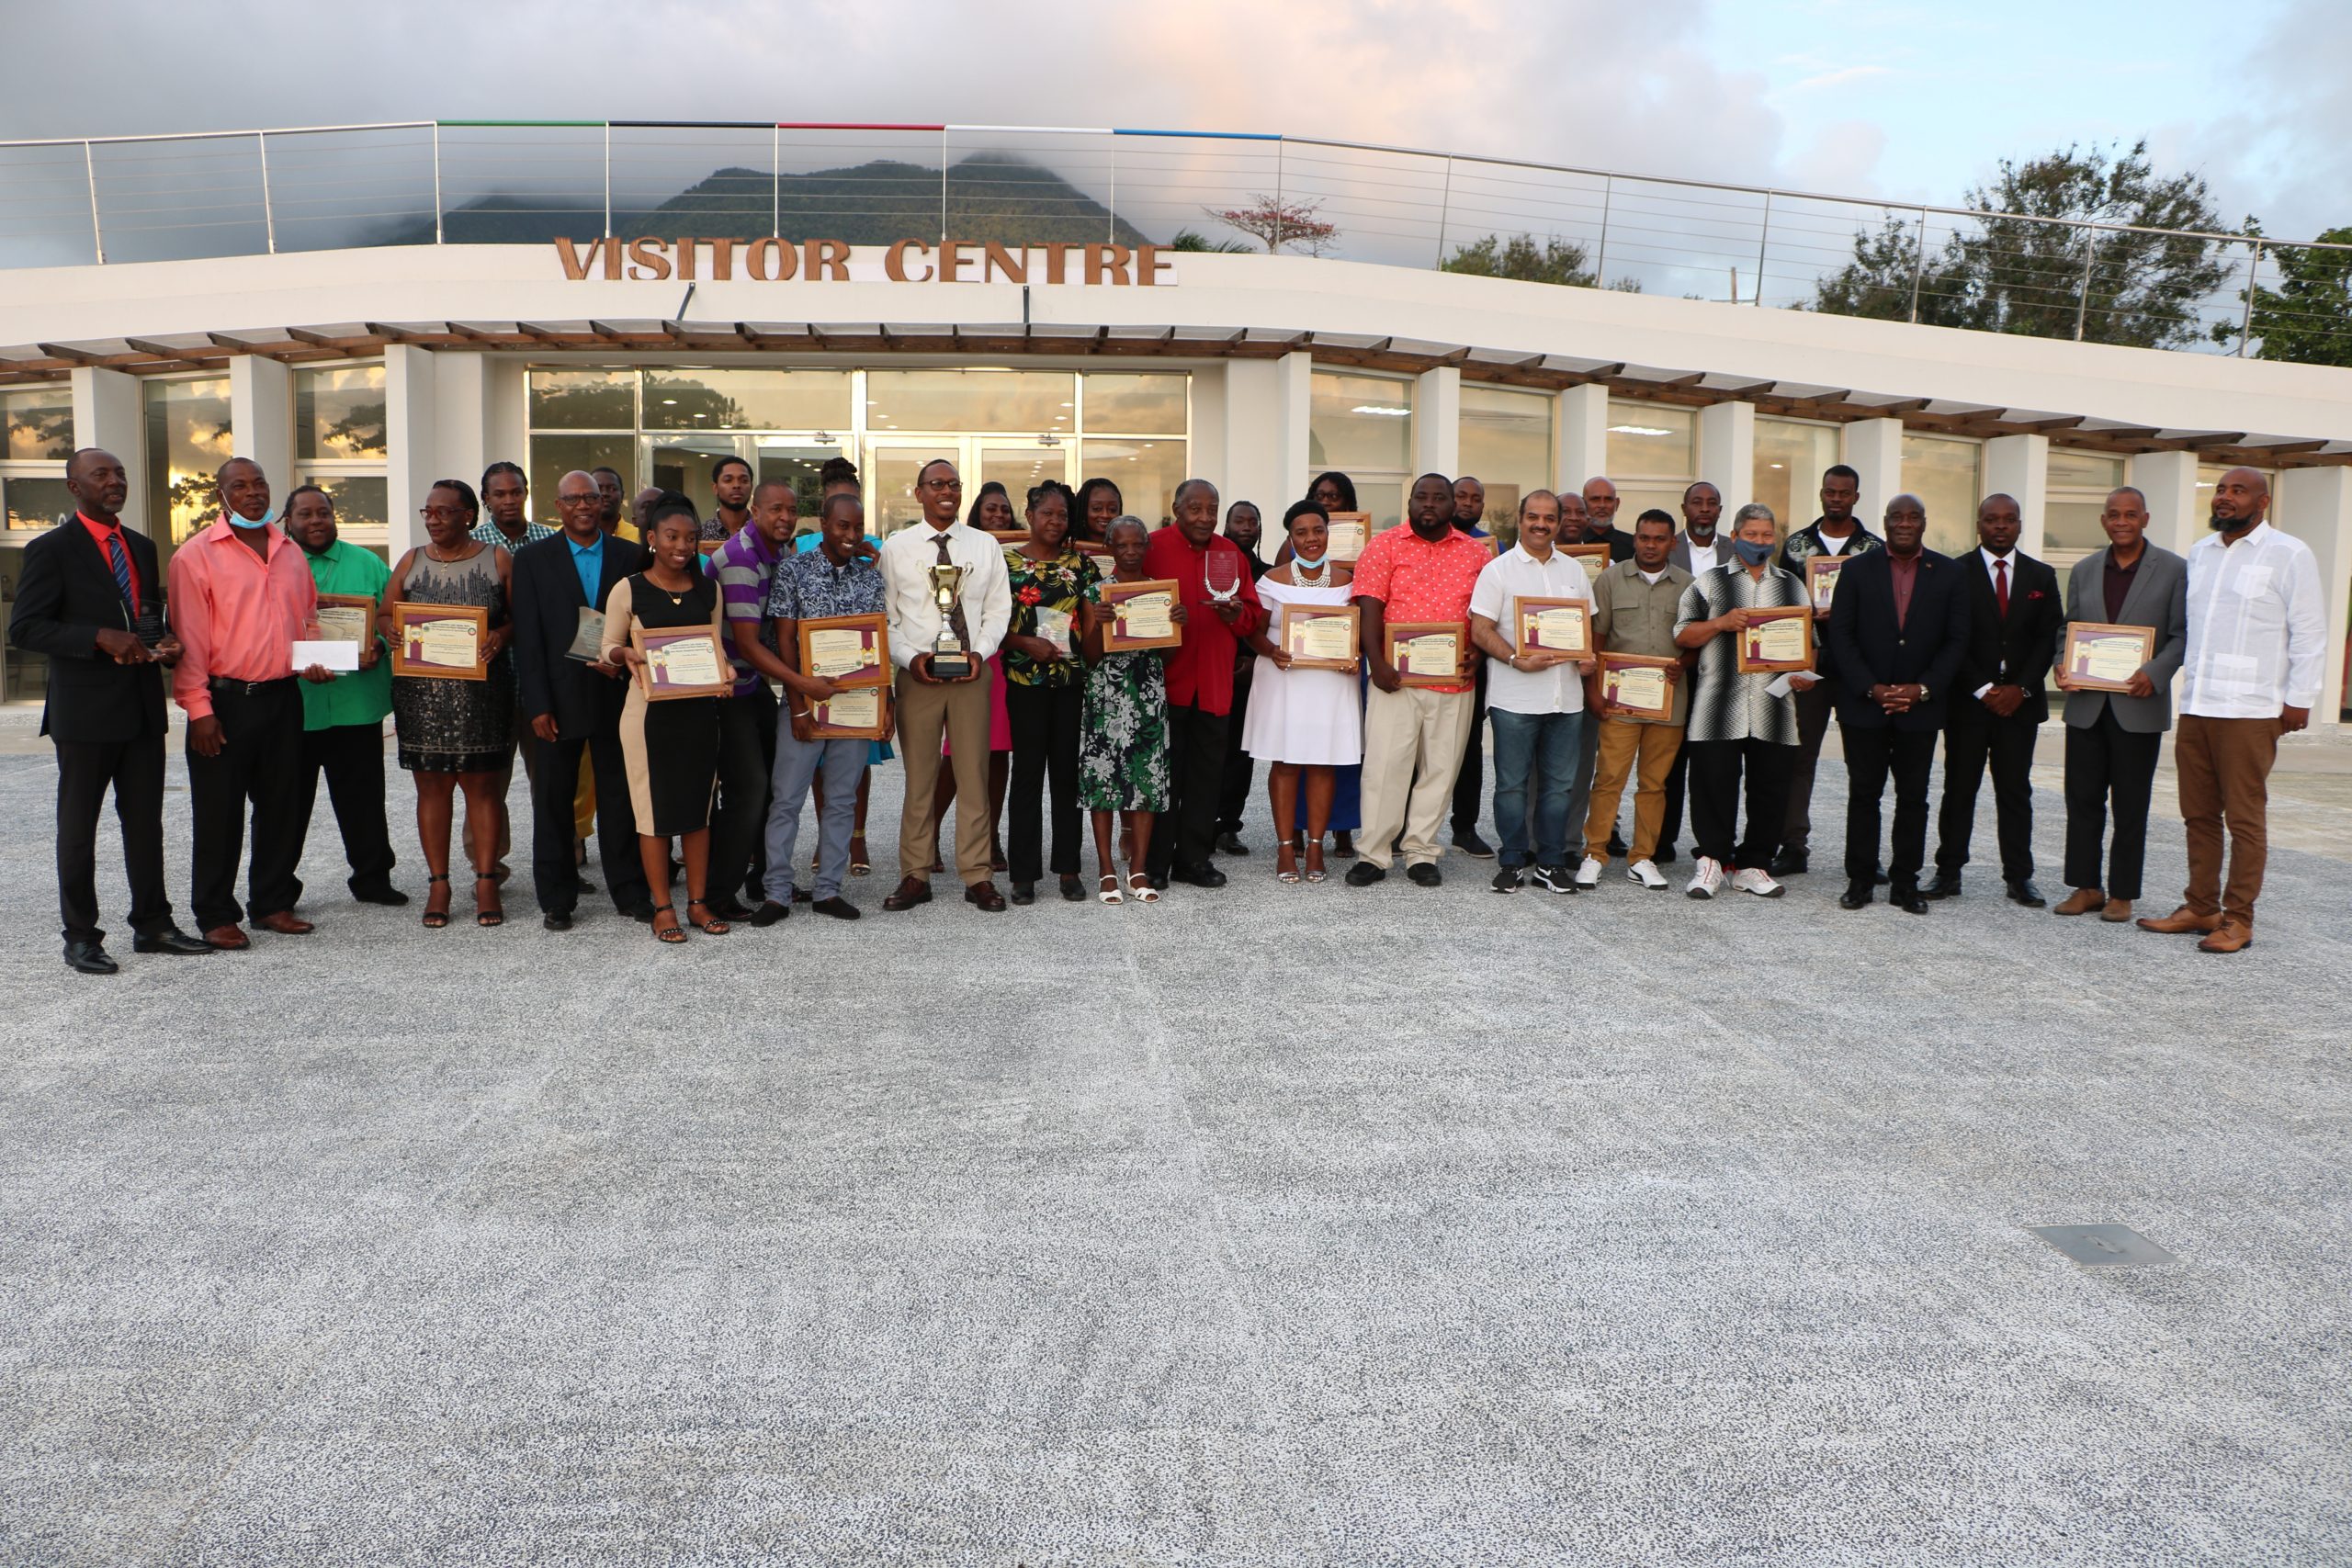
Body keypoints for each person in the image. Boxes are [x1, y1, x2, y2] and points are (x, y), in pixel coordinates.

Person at [8, 447, 211, 971]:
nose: (114, 481)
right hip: (85, 715)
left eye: (119, 473)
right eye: (101, 475)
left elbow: (145, 618)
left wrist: (162, 641)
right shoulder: (51, 550)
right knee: (79, 828)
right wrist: (98, 637)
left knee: (146, 824)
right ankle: (80, 935)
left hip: (141, 708)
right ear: (74, 487)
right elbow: (26, 628)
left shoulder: (141, 547)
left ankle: (153, 925)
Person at [2138, 467, 2325, 953]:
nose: (2225, 498)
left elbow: (2309, 631)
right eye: (2221, 489)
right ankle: (2201, 907)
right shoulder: (2200, 554)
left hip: (2252, 708)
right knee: (2198, 814)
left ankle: (2239, 918)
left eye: (2238, 491)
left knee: (2244, 818)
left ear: (2262, 503)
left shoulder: (2289, 553)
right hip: (2199, 704)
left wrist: (2300, 698)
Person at [169, 457, 333, 948]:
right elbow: (191, 642)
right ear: (221, 495)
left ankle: (272, 903)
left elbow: (308, 622)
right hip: (225, 703)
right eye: (239, 486)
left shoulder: (290, 552)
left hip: (283, 698)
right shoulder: (194, 557)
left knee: (284, 806)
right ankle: (216, 913)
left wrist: (317, 660)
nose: (253, 492)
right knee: (219, 814)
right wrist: (199, 710)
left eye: (259, 483)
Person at [510, 470, 653, 930]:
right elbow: (528, 639)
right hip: (558, 698)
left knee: (621, 797)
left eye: (591, 497)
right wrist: (537, 705)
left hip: (619, 693)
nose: (584, 506)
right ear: (559, 506)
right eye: (573, 499)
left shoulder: (631, 555)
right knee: (553, 799)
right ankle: (556, 897)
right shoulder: (533, 559)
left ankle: (629, 891)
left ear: (603, 502)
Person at [1824, 492, 1971, 914]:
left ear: (1924, 523)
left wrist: (1921, 689)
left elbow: (1956, 640)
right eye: (1896, 517)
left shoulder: (1949, 573)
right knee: (1863, 795)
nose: (1904, 523)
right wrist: (1871, 688)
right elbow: (1842, 636)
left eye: (1913, 517)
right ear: (1885, 523)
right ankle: (1861, 879)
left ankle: (1905, 883)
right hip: (1864, 705)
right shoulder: (1855, 570)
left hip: (1920, 707)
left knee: (1914, 798)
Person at [877, 458, 1012, 912]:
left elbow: (998, 609)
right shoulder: (897, 548)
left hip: (972, 673)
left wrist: (981, 651)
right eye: (936, 484)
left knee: (973, 775)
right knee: (920, 779)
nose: (946, 491)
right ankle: (915, 875)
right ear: (919, 493)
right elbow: (888, 618)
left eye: (953, 484)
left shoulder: (985, 544)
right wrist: (909, 659)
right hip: (918, 676)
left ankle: (977, 875)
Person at [1345, 473, 1489, 889]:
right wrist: (1378, 664)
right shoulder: (1384, 545)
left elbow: (1484, 616)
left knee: (1440, 770)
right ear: (1410, 502)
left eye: (1439, 498)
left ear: (1452, 505)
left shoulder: (1476, 554)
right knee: (1384, 767)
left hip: (1454, 681)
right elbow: (1369, 609)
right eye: (1421, 497)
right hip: (1395, 680)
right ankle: (1373, 853)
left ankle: (1421, 851)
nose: (1429, 504)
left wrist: (1477, 654)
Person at [384, 479, 516, 929]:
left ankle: (485, 879)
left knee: (482, 790)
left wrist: (502, 634)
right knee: (432, 789)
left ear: (467, 515)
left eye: (444, 511)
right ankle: (439, 882)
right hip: (422, 695)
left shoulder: (496, 557)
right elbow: (387, 612)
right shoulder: (411, 559)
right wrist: (391, 631)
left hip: (482, 692)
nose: (434, 519)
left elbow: (519, 616)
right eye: (428, 511)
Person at [2051, 487, 2187, 923]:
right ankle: (2086, 887)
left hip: (2139, 705)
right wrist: (2062, 664)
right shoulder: (2086, 569)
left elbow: (2182, 635)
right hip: (2088, 706)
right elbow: (2068, 628)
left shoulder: (2173, 569)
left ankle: (2123, 894)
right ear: (2104, 521)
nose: (2122, 521)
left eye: (2131, 514)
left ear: (2145, 518)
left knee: (2130, 805)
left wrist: (2156, 672)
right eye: (2114, 514)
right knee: (2083, 800)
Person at [752, 491, 888, 923]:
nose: (850, 535)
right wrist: (796, 707)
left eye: (856, 527)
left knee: (842, 800)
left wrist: (887, 707)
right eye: (841, 526)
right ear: (824, 524)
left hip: (854, 706)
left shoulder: (870, 577)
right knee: (786, 800)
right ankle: (776, 891)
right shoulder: (793, 569)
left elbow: (877, 644)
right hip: (802, 703)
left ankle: (828, 889)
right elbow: (786, 641)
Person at [1672, 502, 1818, 898]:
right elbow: (1682, 635)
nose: (1759, 542)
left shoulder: (1791, 584)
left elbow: (1810, 645)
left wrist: (1803, 675)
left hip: (1775, 707)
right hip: (1718, 706)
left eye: (1766, 535)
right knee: (1712, 787)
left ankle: (1753, 865)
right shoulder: (1709, 582)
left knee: (1770, 789)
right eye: (1751, 534)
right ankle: (1712, 864)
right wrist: (1720, 623)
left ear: (1776, 539)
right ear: (1734, 537)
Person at [604, 498, 731, 942]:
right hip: (646, 718)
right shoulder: (629, 588)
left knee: (698, 812)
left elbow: (714, 648)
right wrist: (625, 654)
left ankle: (697, 903)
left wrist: (726, 672)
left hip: (698, 715)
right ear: (653, 539)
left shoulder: (708, 590)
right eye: (673, 537)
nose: (682, 546)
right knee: (652, 814)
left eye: (691, 537)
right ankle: (662, 906)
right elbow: (606, 648)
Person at [1927, 493, 2064, 906]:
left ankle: (2020, 877)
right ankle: (1948, 873)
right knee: (1959, 788)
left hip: (2019, 703)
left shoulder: (2041, 576)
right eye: (1991, 520)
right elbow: (1950, 637)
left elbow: (2048, 637)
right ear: (1979, 525)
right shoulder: (1954, 573)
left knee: (2015, 791)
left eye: (2008, 520)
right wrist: (1984, 688)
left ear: (2020, 525)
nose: (2000, 526)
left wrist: (2020, 689)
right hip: (1969, 702)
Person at [1138, 479, 1265, 889]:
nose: (1205, 518)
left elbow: (1252, 616)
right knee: (1163, 777)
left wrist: (1234, 616)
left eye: (1212, 510)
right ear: (1176, 508)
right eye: (1196, 509)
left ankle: (1194, 859)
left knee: (1207, 777)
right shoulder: (1152, 547)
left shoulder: (1231, 554)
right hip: (1165, 684)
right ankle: (1155, 862)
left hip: (1213, 683)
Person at [1466, 489, 1594, 893]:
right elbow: (1480, 629)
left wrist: (1588, 658)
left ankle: (1551, 862)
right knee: (1511, 785)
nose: (1541, 524)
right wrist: (1514, 659)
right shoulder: (1498, 570)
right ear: (1520, 520)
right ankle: (1512, 859)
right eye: (1533, 517)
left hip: (1566, 698)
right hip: (1514, 697)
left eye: (1549, 518)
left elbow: (1585, 630)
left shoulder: (1574, 571)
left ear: (1559, 523)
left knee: (1560, 787)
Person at [287, 483, 402, 908]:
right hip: (295, 706)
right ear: (289, 520)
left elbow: (392, 619)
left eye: (323, 513)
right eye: (305, 514)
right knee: (288, 804)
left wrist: (380, 645)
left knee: (364, 798)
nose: (316, 521)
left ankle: (372, 878)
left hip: (356, 705)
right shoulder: (273, 564)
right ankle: (279, 886)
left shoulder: (368, 564)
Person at [1242, 501, 1362, 885]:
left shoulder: (1348, 581)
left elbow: (1356, 632)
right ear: (1290, 537)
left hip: (1331, 681)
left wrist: (1354, 656)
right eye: (1301, 532)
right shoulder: (1272, 580)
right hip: (1285, 679)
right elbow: (1252, 630)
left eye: (1318, 530)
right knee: (1286, 762)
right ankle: (1283, 848)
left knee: (1324, 762)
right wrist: (1270, 650)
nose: (1311, 539)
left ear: (1329, 533)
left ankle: (1313, 846)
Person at [1771, 463, 1882, 877]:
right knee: (1799, 759)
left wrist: (1849, 613)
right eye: (1830, 492)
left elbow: (1885, 610)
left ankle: (1863, 856)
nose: (1836, 499)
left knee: (1864, 764)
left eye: (1844, 493)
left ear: (1856, 496)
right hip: (1809, 667)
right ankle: (1793, 846)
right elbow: (1781, 601)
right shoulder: (1797, 544)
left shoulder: (1873, 547)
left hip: (1857, 669)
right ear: (1822, 494)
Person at [1577, 508, 1691, 890]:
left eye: (1660, 538)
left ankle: (1642, 857)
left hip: (1668, 702)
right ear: (1636, 539)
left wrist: (1684, 663)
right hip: (1619, 702)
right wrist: (1592, 691)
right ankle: (1594, 853)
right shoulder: (1610, 579)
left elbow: (1698, 638)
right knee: (1609, 777)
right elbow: (1596, 637)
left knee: (1655, 784)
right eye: (1644, 537)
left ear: (1672, 543)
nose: (1650, 545)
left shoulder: (1689, 585)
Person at [701, 478, 797, 919]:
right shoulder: (741, 558)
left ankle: (762, 878)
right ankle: (718, 894)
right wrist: (803, 682)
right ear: (755, 511)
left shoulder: (780, 552)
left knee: (772, 782)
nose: (785, 518)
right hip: (725, 688)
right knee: (748, 789)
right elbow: (750, 642)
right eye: (775, 509)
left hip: (749, 683)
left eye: (791, 510)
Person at [1001, 480, 1099, 904]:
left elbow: (1094, 629)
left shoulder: (1082, 565)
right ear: (1030, 515)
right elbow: (985, 626)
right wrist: (1025, 643)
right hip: (1024, 683)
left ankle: (1069, 868)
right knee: (1025, 776)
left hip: (1070, 683)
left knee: (1065, 775)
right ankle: (1023, 874)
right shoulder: (1005, 563)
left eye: (1063, 515)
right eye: (1048, 514)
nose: (1056, 522)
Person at [1079, 515, 1177, 902]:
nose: (1131, 551)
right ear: (1109, 549)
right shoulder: (1095, 593)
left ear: (1147, 547)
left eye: (1138, 544)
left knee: (1146, 780)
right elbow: (1088, 657)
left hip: (1147, 693)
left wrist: (1175, 622)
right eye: (1122, 545)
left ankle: (1137, 869)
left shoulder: (1160, 592)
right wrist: (1099, 626)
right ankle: (1105, 869)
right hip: (1105, 693)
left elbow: (1167, 653)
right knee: (1104, 782)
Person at [927, 480, 1020, 874]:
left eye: (1004, 510)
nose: (998, 516)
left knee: (999, 753)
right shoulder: (962, 549)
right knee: (954, 753)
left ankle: (991, 836)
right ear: (976, 514)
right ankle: (927, 835)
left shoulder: (1018, 554)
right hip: (966, 653)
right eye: (990, 509)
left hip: (1007, 661)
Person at [475, 460, 560, 881]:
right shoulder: (470, 545)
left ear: (527, 493)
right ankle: (488, 865)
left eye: (516, 491)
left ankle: (565, 859)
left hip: (542, 684)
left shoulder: (552, 540)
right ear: (485, 499)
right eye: (499, 493)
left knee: (549, 780)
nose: (509, 500)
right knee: (488, 783)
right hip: (487, 685)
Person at [1654, 479, 1728, 864]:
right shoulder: (1668, 547)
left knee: (1712, 764)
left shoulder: (1736, 551)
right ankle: (1661, 841)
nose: (1703, 509)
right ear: (1684, 509)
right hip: (1677, 669)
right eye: (1696, 503)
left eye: (1711, 503)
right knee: (1670, 759)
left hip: (1723, 672)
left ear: (1719, 510)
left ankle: (1710, 845)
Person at [1307, 469, 1363, 859]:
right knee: (1304, 745)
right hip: (1305, 663)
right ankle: (1301, 828)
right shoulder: (1292, 546)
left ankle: (1342, 828)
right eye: (1320, 496)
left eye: (1334, 497)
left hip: (1343, 661)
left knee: (1344, 748)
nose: (1327, 502)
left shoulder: (1364, 548)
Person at [1215, 498, 1271, 856]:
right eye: (1240, 521)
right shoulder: (1213, 568)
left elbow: (1271, 626)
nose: (1247, 527)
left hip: (1249, 678)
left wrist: (1252, 660)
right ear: (1227, 526)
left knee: (1240, 756)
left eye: (1253, 522)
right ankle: (1201, 825)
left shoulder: (1268, 574)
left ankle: (1229, 827)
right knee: (1208, 754)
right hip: (1212, 671)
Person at [1446, 474, 1498, 859]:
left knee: (1469, 746)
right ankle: (1403, 830)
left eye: (1475, 498)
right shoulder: (1429, 540)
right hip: (1425, 658)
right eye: (1460, 496)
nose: (1467, 503)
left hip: (1470, 659)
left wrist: (1482, 650)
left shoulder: (1492, 550)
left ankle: (1464, 827)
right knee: (1415, 745)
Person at [477, 461, 553, 554]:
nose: (509, 501)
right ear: (487, 499)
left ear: (526, 494)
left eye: (516, 493)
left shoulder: (550, 538)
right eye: (500, 495)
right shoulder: (472, 543)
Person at [1578, 477, 1637, 562]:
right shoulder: (1570, 543)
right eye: (1595, 499)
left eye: (1608, 499)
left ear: (1617, 504)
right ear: (1583, 503)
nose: (1602, 505)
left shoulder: (1634, 546)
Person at [701, 455, 752, 552]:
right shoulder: (701, 534)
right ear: (715, 488)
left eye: (744, 481)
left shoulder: (764, 532)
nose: (737, 485)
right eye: (728, 480)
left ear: (751, 487)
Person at [1070, 477, 1125, 548]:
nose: (1105, 515)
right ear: (1083, 510)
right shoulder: (1066, 549)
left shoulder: (1129, 551)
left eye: (1112, 509)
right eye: (1097, 508)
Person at [592, 466, 639, 543]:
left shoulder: (639, 536)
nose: (604, 493)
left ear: (622, 496)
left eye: (612, 489)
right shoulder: (570, 534)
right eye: (598, 488)